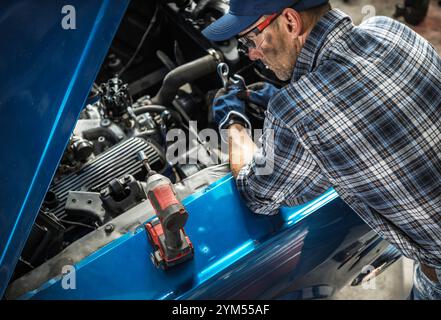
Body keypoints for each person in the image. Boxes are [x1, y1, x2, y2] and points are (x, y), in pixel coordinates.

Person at [202, 0, 441, 299]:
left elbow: (258, 196)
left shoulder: (295, 112)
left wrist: (234, 124)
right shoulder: (390, 29)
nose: (252, 54)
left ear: (291, 22)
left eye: (252, 39)